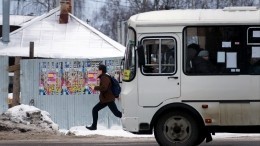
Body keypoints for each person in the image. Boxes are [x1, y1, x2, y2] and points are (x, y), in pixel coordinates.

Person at [86, 64, 122, 130]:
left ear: (101, 70)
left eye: (98, 70)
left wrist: (94, 87)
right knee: (95, 110)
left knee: (117, 113)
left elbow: (104, 87)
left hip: (108, 99)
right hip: (106, 99)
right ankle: (94, 126)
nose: (97, 71)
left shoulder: (104, 77)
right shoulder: (104, 76)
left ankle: (127, 119)